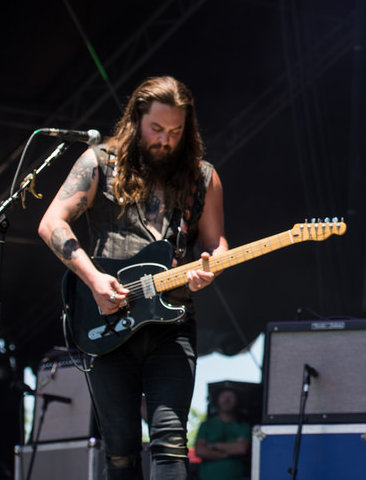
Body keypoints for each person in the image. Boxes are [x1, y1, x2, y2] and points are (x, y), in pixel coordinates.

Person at [38, 75, 227, 479]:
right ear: (136, 120)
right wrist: (93, 279)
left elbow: (218, 245)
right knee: (121, 452)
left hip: (172, 324)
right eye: (156, 129)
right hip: (108, 317)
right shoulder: (98, 162)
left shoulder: (203, 178)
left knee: (172, 442)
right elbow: (52, 222)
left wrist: (211, 267)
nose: (165, 140)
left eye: (175, 131)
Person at [194, 386, 251, 480]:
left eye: (231, 397)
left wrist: (213, 445)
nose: (227, 400)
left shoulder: (244, 426)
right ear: (217, 400)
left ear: (238, 401)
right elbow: (200, 450)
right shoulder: (206, 425)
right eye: (223, 396)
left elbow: (241, 448)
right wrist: (228, 453)